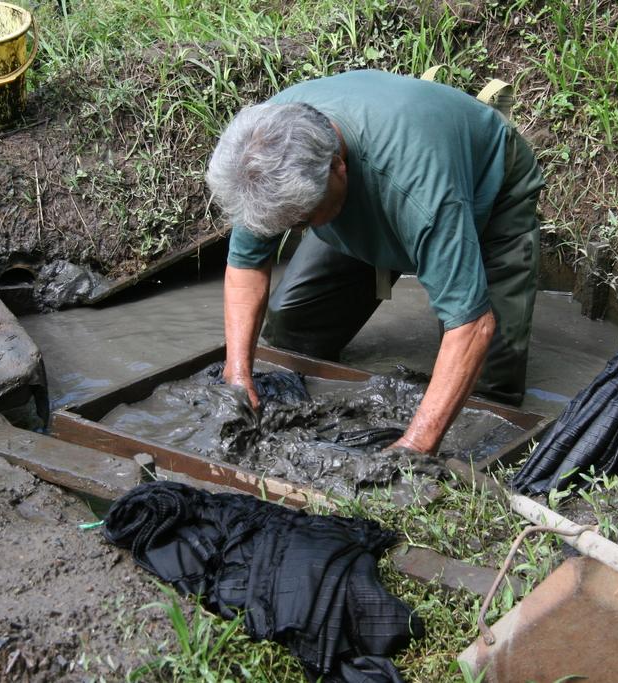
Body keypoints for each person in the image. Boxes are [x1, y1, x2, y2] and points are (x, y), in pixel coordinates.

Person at [206, 69, 544, 456]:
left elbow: (472, 326)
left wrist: (415, 444)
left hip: (487, 191)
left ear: (337, 166)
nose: (295, 229)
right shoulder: (266, 151)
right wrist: (237, 372)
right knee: (292, 327)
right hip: (374, 184)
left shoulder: (422, 191)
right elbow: (247, 264)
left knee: (488, 394)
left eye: (301, 221)